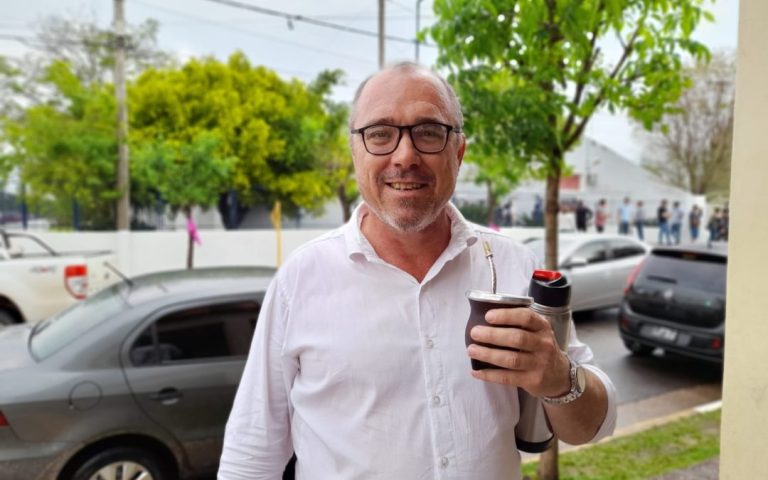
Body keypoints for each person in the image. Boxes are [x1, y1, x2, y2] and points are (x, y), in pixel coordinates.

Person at [218, 63, 616, 480]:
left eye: (428, 132)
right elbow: (252, 455)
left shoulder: (515, 267)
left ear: (458, 152)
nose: (405, 156)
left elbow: (592, 426)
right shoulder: (300, 280)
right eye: (380, 134)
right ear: (355, 151)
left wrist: (558, 378)